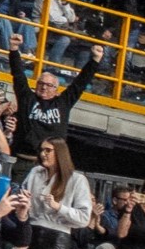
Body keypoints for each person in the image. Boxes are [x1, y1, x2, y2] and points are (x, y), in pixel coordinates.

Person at [7, 33, 103, 166]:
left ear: (56, 90)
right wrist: (14, 49)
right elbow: (18, 74)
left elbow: (80, 82)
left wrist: (95, 60)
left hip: (53, 164)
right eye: (41, 83)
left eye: (49, 85)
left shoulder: (63, 102)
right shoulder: (27, 98)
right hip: (26, 160)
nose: (44, 87)